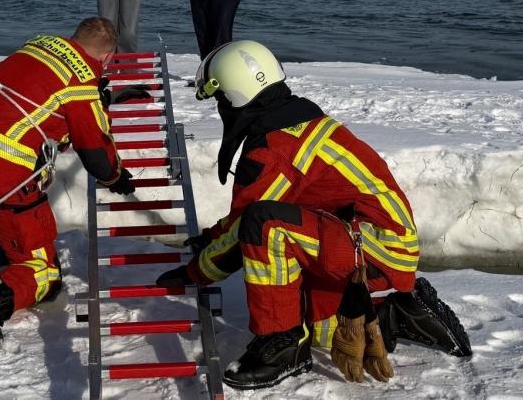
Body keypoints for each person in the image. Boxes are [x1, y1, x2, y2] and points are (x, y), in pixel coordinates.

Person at [156, 41, 471, 389]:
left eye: (218, 99)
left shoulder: (276, 148)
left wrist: (194, 271)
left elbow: (247, 225)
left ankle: (282, 345)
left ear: (233, 95)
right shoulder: (295, 120)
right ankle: (392, 315)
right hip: (373, 241)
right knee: (323, 332)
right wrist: (211, 238)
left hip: (374, 250)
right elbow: (241, 218)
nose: (219, 108)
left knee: (266, 227)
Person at [0, 18, 144, 350]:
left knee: (12, 215)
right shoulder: (83, 85)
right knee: (45, 270)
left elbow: (37, 99)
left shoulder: (39, 46)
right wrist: (116, 176)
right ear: (107, 58)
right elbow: (97, 155)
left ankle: (11, 261)